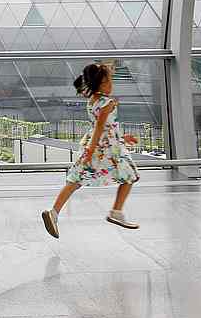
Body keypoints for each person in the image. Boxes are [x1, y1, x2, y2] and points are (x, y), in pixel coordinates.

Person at [42, 62, 140, 238]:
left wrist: (122, 138)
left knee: (75, 180)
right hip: (107, 149)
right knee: (130, 175)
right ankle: (116, 212)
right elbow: (100, 128)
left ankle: (54, 212)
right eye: (110, 80)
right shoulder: (107, 103)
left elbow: (104, 127)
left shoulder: (92, 100)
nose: (112, 84)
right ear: (102, 83)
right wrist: (91, 150)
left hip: (100, 145)